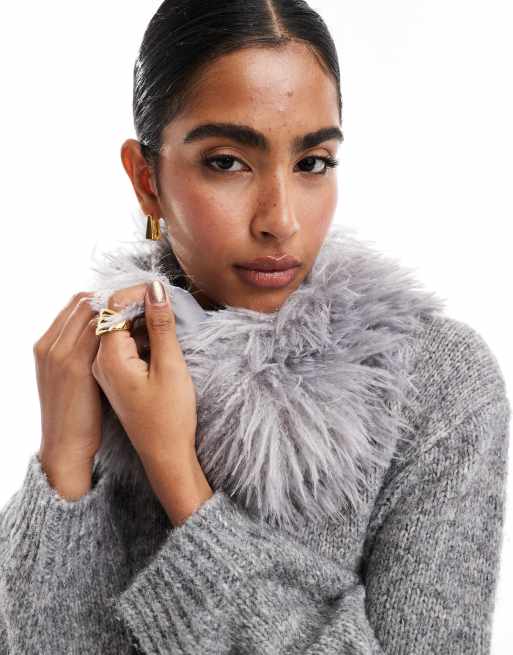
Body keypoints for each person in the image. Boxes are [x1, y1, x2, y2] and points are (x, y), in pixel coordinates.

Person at [0, 1, 510, 653]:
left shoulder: (435, 387)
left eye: (312, 163)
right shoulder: (105, 364)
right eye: (227, 161)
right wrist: (65, 464)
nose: (280, 221)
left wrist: (178, 475)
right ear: (147, 180)